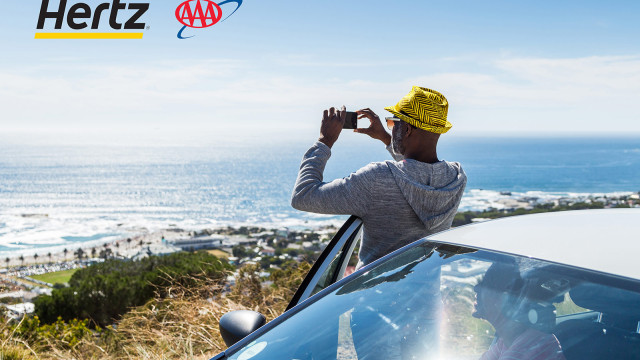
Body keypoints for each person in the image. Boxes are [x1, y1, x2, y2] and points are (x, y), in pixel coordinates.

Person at [291, 86, 467, 267]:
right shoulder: (456, 177)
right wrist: (386, 137)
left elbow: (303, 196)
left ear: (406, 129)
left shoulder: (377, 178)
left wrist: (324, 142)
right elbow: (416, 172)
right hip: (425, 293)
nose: (391, 128)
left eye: (393, 123)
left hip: (375, 293)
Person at [473, 262, 566, 360]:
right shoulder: (507, 341)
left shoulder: (526, 350)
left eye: (487, 282)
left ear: (508, 299)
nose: (476, 288)